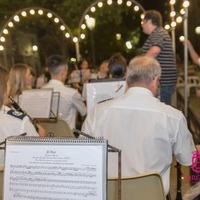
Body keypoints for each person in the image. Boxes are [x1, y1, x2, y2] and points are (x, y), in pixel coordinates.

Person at [81, 55, 195, 195]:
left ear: (127, 80)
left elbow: (83, 157)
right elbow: (189, 158)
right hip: (151, 196)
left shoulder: (97, 112)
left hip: (109, 195)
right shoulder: (173, 117)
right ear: (155, 80)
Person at [141, 10, 177, 105]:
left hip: (162, 82)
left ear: (149, 21)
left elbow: (155, 51)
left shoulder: (158, 33)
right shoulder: (158, 33)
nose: (142, 25)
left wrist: (138, 65)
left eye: (143, 22)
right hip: (163, 81)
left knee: (162, 111)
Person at [42, 55, 87, 129]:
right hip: (67, 137)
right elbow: (84, 112)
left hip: (47, 136)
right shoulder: (71, 93)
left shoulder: (41, 90)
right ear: (63, 72)